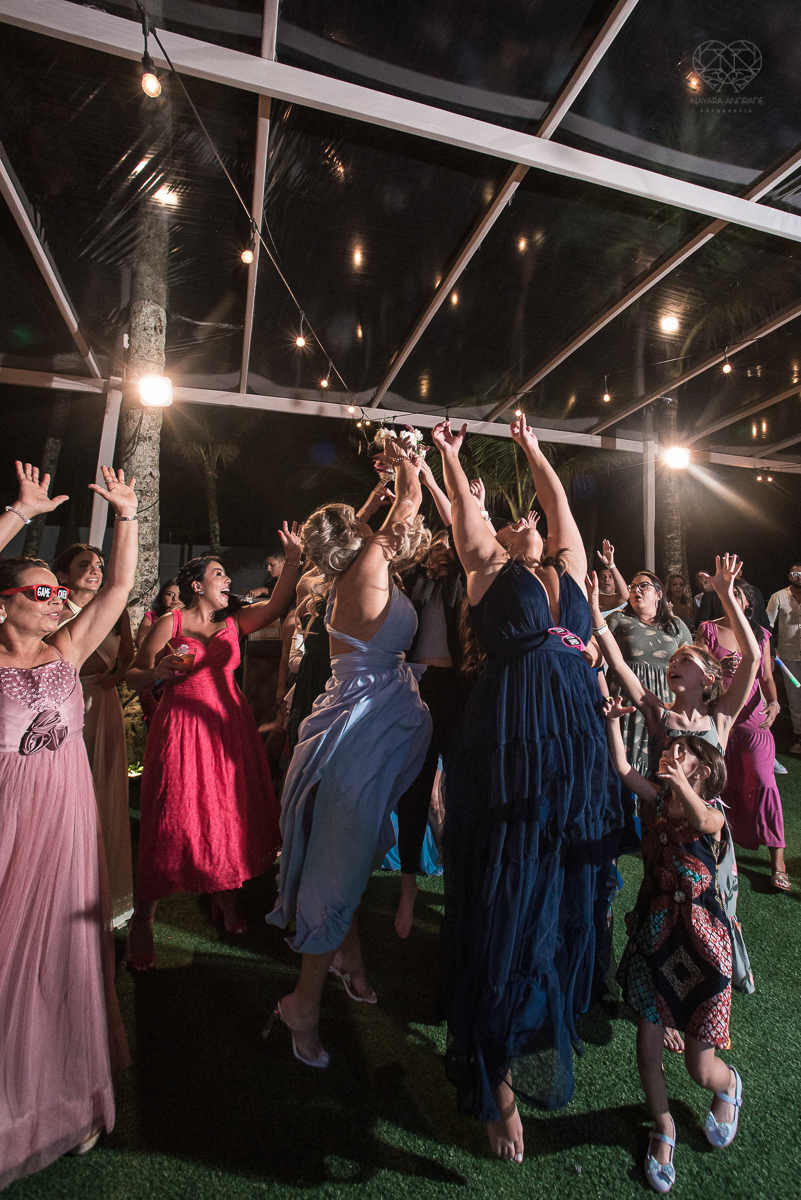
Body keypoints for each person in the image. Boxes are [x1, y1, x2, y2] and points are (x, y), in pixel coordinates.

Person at [434, 415, 623, 1163]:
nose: (522, 525)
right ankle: (498, 1083)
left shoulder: (571, 573)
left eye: (528, 524)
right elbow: (468, 524)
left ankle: (547, 1014)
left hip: (575, 742)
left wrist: (532, 449)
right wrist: (450, 459)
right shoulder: (489, 574)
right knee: (510, 896)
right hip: (511, 742)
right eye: (510, 525)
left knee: (566, 887)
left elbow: (558, 507)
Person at [265, 439, 432, 1069]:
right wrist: (413, 456)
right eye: (363, 518)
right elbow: (412, 502)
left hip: (368, 727)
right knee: (338, 869)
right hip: (358, 737)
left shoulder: (349, 569)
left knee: (350, 856)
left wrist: (383, 481)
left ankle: (349, 959)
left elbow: (387, 514)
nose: (372, 520)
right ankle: (300, 1005)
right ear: (355, 534)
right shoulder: (363, 567)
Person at [0, 461, 135, 1186]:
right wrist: (20, 514)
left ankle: (65, 1099)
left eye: (59, 593)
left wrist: (128, 517)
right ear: (3, 603)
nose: (58, 602)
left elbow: (116, 588)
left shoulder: (68, 653)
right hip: (7, 832)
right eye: (41, 593)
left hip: (65, 829)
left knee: (61, 964)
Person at [125, 531, 301, 967]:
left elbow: (277, 606)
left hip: (228, 727)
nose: (228, 580)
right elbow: (133, 675)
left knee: (226, 812)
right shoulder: (172, 622)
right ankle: (144, 918)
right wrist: (159, 672)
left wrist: (294, 559)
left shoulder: (232, 623)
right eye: (219, 574)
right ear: (197, 586)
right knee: (171, 816)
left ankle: (226, 901)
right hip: (182, 725)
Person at [605, 698, 742, 1195]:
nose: (670, 750)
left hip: (703, 948)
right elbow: (622, 768)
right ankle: (664, 1127)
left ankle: (728, 1086)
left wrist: (679, 771)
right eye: (671, 746)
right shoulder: (661, 798)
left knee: (698, 1067)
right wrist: (615, 723)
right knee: (646, 1045)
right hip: (657, 939)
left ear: (703, 770)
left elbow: (702, 820)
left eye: (681, 750)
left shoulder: (713, 816)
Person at [50, 542, 135, 928]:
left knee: (105, 792)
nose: (95, 570)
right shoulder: (53, 612)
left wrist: (113, 679)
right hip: (65, 707)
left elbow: (127, 661)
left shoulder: (114, 613)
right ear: (63, 575)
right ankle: (60, 886)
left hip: (104, 704)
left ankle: (101, 891)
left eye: (100, 565)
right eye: (84, 565)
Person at [698, 584, 790, 890]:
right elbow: (698, 672)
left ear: (747, 602)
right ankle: (724, 852)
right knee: (723, 785)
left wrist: (775, 704)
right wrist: (717, 666)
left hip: (754, 722)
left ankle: (778, 863)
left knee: (764, 783)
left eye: (738, 594)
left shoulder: (761, 634)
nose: (732, 599)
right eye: (727, 594)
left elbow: (766, 677)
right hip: (720, 720)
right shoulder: (708, 629)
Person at [604, 570, 692, 777]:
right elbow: (597, 651)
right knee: (625, 760)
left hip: (665, 701)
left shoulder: (676, 625)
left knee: (661, 759)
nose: (636, 590)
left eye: (643, 586)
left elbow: (693, 663)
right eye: (632, 587)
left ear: (659, 594)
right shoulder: (618, 619)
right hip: (628, 700)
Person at [767, 562, 801, 754]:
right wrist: (771, 650)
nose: (799, 576)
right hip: (788, 655)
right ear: (790, 576)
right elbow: (767, 625)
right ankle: (799, 737)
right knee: (795, 698)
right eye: (795, 573)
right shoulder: (778, 597)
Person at [135, 577, 181, 647]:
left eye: (180, 595)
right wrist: (164, 618)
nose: (175, 599)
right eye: (170, 594)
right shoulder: (151, 616)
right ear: (162, 597)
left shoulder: (193, 617)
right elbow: (140, 643)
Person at [596, 540, 629, 613]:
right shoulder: (595, 598)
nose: (606, 579)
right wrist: (611, 565)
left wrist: (611, 565)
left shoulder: (625, 604)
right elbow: (624, 596)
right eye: (603, 577)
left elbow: (624, 595)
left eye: (610, 577)